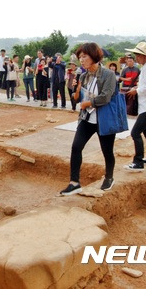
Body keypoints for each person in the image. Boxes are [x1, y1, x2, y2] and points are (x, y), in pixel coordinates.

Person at [59, 43, 117, 196]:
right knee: (76, 147)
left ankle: (109, 177)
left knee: (107, 151)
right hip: (87, 118)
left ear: (94, 56)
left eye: (84, 56)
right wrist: (76, 92)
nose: (81, 60)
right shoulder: (84, 76)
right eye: (80, 57)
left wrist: (88, 103)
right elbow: (77, 99)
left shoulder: (108, 75)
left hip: (104, 119)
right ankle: (74, 182)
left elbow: (106, 96)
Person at [124, 42, 146, 171]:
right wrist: (138, 87)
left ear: (144, 56)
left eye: (138, 55)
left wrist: (136, 91)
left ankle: (138, 161)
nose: (136, 57)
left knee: (135, 133)